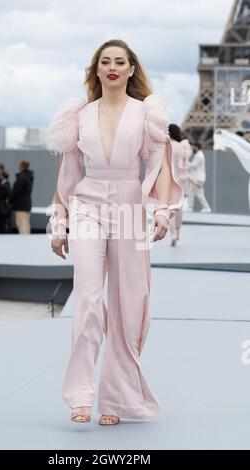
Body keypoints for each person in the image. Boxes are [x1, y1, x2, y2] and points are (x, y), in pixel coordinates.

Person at [47, 39, 184, 426]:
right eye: (105, 61)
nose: (112, 67)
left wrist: (159, 212)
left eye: (119, 61)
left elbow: (158, 168)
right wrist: (60, 224)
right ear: (97, 70)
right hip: (88, 204)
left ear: (130, 69)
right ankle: (80, 394)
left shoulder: (147, 115)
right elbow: (69, 176)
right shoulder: (79, 115)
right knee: (87, 297)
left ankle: (116, 398)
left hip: (130, 207)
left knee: (128, 304)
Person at [168, 124, 190, 246]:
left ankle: (173, 233)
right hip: (180, 181)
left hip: (168, 181)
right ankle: (178, 230)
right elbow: (183, 168)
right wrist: (189, 180)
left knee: (170, 209)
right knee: (179, 209)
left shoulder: (164, 147)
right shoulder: (181, 148)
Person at [9, 160, 34, 234]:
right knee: (26, 223)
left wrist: (10, 200)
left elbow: (15, 191)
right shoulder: (30, 176)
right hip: (27, 203)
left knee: (21, 224)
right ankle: (27, 241)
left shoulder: (21, 177)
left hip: (20, 204)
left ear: (22, 166)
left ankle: (24, 242)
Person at [186, 142, 211, 213]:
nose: (192, 149)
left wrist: (185, 161)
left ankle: (206, 207)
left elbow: (193, 165)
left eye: (193, 147)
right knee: (191, 192)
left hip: (197, 178)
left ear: (197, 147)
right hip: (196, 177)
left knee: (199, 194)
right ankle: (190, 207)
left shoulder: (199, 155)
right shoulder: (198, 155)